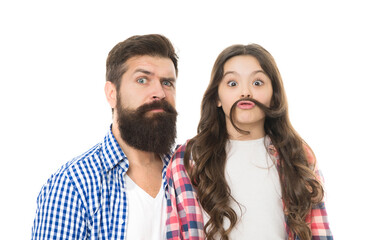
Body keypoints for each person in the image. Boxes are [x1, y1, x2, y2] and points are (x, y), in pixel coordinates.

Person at [166, 44, 333, 240]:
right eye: (232, 83)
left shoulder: (297, 154)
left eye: (258, 83)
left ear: (274, 96)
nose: (245, 92)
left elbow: (319, 231)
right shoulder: (190, 157)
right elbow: (182, 231)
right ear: (217, 98)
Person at [32, 34, 179, 239]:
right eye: (142, 80)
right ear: (112, 93)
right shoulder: (73, 185)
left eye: (167, 83)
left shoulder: (188, 175)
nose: (159, 93)